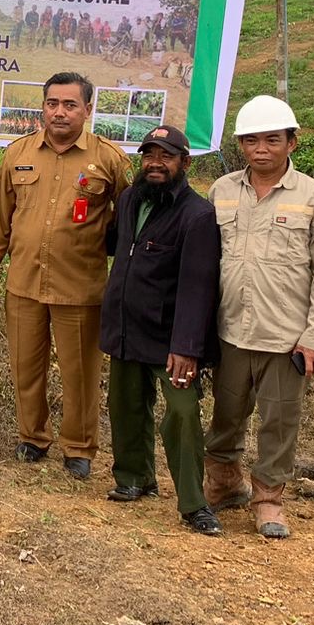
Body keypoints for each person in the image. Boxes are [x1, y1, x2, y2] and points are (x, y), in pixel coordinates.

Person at [205, 95, 314, 539]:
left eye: (271, 139)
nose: (260, 149)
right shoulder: (222, 190)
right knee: (226, 414)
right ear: (240, 145)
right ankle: (225, 481)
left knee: (279, 420)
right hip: (230, 330)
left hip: (286, 336)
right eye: (250, 140)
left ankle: (268, 498)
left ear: (292, 142)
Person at [0, 72, 130, 478]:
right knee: (26, 367)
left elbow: (128, 222)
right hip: (24, 283)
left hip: (79, 287)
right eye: (52, 104)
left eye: (70, 105)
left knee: (80, 373)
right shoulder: (17, 154)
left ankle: (79, 447)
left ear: (88, 110)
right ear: (42, 107)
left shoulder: (109, 160)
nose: (59, 112)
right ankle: (33, 437)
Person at [100, 126, 223, 535]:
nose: (155, 163)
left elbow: (198, 287)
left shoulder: (198, 214)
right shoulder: (131, 198)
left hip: (171, 339)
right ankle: (134, 478)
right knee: (126, 406)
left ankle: (193, 504)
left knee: (182, 414)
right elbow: (117, 248)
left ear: (184, 163)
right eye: (149, 154)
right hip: (127, 327)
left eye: (166, 156)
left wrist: (187, 348)